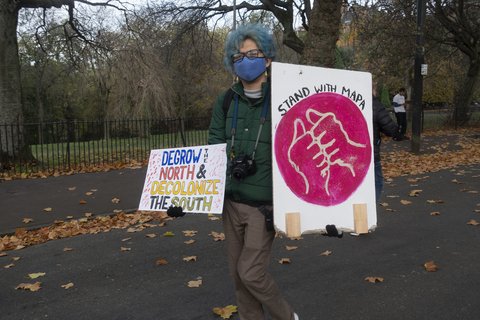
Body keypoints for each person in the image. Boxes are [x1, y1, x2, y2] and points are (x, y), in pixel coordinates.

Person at [208, 24, 298, 320]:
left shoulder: (286, 99)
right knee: (239, 277)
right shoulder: (226, 101)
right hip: (231, 204)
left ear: (268, 58)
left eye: (253, 53)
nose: (245, 60)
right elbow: (214, 151)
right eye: (239, 55)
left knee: (251, 272)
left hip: (264, 205)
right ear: (232, 64)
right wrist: (186, 198)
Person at [373, 88, 400, 200]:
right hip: (371, 155)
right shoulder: (375, 105)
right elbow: (390, 129)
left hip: (346, 156)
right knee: (377, 184)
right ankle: (370, 211)